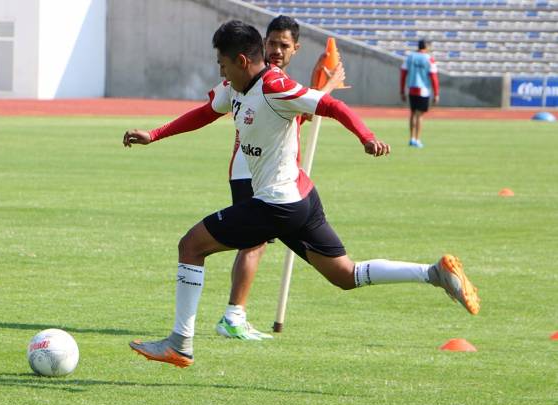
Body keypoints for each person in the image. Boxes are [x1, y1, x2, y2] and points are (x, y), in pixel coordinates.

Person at [123, 21, 479, 369]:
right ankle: (434, 273)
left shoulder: (276, 86)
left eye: (223, 63)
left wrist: (366, 137)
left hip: (277, 203)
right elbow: (204, 113)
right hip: (301, 198)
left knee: (191, 246)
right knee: (345, 275)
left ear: (242, 61)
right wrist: (154, 134)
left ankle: (180, 344)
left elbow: (332, 106)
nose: (221, 70)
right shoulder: (235, 88)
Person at [216, 15, 346, 341]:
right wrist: (328, 87)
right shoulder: (257, 79)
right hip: (250, 172)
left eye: (283, 45)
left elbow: (300, 115)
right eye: (271, 42)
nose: (275, 49)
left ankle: (235, 314)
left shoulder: (279, 82)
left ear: (295, 49)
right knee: (253, 243)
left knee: (255, 244)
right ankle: (234, 314)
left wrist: (321, 87)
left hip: (275, 176)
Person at [400, 39, 439, 148]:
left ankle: (411, 138)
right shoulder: (429, 59)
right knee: (419, 115)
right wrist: (436, 93)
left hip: (411, 89)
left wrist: (402, 91)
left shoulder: (410, 57)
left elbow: (403, 74)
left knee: (412, 114)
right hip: (423, 90)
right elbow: (434, 77)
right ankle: (417, 139)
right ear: (426, 47)